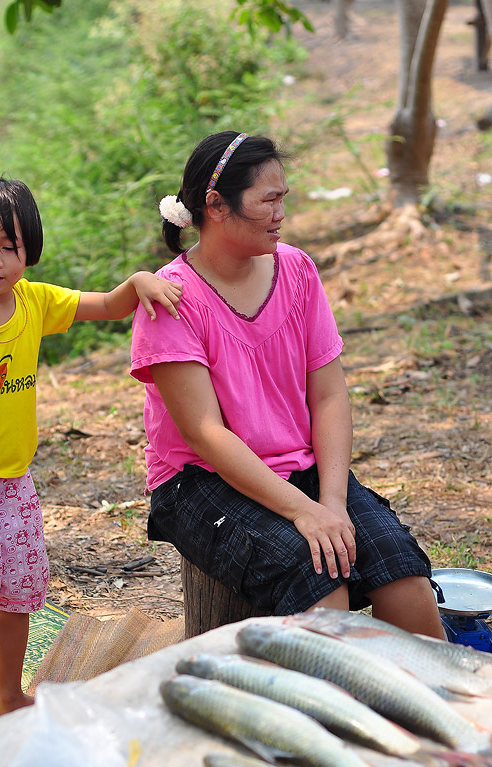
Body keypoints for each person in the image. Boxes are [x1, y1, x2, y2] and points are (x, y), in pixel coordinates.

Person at [0, 175, 182, 739]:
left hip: (8, 483)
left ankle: (8, 697)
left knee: (18, 593)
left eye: (8, 246)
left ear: (30, 248)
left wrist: (141, 279)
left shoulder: (36, 302)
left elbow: (107, 305)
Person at [130, 131, 445, 640]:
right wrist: (304, 512)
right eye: (268, 200)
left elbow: (329, 394)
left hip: (301, 466)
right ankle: (325, 715)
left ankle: (446, 715)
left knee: (403, 574)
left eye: (284, 199)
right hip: (200, 481)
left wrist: (335, 504)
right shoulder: (172, 300)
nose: (281, 213)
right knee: (321, 582)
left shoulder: (296, 271)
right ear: (216, 205)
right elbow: (205, 433)